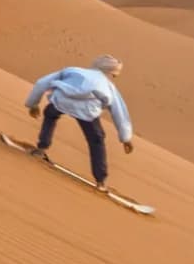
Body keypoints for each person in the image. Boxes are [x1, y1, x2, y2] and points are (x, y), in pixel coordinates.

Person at [24, 55, 135, 192]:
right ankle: (100, 181)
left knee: (50, 113)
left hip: (62, 101)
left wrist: (33, 104)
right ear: (110, 72)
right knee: (97, 139)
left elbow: (42, 83)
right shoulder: (109, 86)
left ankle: (41, 149)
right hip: (87, 111)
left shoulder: (73, 70)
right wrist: (125, 138)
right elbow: (119, 111)